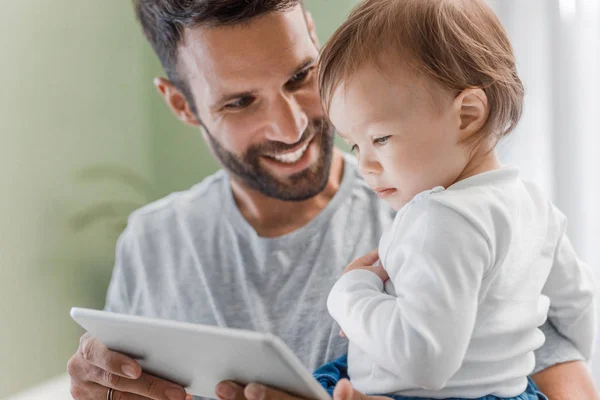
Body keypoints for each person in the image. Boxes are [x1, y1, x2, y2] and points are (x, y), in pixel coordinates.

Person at [65, 1, 600, 400]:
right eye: (241, 101)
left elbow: (567, 378)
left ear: (316, 41)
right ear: (182, 104)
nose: (292, 124)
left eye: (301, 75)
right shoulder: (153, 242)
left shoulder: (442, 212)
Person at [311, 0, 596, 399]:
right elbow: (577, 308)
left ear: (467, 115)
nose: (366, 166)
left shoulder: (440, 217)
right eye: (356, 146)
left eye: (380, 138)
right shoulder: (532, 204)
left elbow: (424, 359)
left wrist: (350, 293)